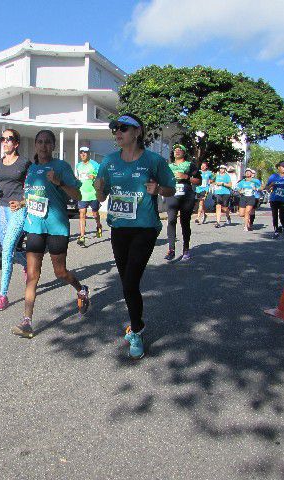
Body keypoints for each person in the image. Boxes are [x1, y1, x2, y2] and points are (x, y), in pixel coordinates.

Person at [93, 114, 176, 359]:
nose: (118, 132)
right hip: (119, 227)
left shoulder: (154, 161)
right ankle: (136, 324)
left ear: (137, 131)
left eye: (123, 128)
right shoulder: (108, 162)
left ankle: (137, 330)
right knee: (127, 282)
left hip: (145, 227)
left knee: (130, 281)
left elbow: (171, 188)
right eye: (115, 129)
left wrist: (159, 189)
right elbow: (100, 196)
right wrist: (98, 189)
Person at [11, 130, 89, 338]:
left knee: (60, 273)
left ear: (53, 146)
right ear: (35, 145)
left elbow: (77, 194)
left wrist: (59, 183)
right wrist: (20, 203)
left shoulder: (61, 167)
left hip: (56, 227)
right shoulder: (32, 169)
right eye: (40, 142)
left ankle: (81, 290)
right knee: (32, 276)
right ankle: (27, 321)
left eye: (47, 142)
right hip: (35, 227)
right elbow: (33, 196)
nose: (43, 146)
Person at [0, 129, 30, 311]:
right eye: (2, 138)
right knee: (6, 250)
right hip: (1, 210)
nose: (5, 141)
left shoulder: (25, 163)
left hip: (18, 209)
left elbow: (33, 189)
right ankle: (26, 262)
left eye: (9, 139)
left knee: (8, 248)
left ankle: (2, 295)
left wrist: (22, 202)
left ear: (16, 143)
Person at [164, 143, 200, 260]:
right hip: (172, 194)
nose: (177, 151)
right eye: (175, 150)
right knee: (171, 220)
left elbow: (198, 181)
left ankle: (186, 248)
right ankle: (171, 249)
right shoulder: (168, 166)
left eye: (180, 150)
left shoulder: (190, 165)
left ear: (184, 153)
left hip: (186, 195)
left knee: (185, 222)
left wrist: (186, 177)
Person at [75, 146, 103, 247]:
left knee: (95, 214)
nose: (83, 154)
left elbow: (102, 175)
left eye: (85, 153)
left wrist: (95, 176)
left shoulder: (95, 164)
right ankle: (82, 237)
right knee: (82, 214)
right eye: (81, 153)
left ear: (88, 154)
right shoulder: (78, 165)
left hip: (93, 194)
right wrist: (77, 179)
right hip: (82, 194)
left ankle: (99, 226)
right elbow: (79, 177)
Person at [265, 161, 284, 238]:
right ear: (278, 167)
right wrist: (271, 185)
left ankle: (283, 226)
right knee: (274, 215)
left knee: (282, 216)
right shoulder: (273, 176)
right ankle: (275, 230)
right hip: (274, 198)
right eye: (283, 166)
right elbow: (267, 188)